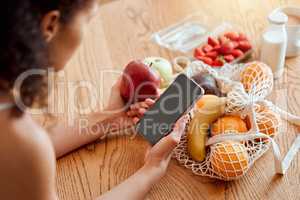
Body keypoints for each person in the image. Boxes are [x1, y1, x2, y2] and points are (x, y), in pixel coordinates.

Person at [0, 1, 187, 199]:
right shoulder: (21, 142)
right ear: (50, 25)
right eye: (88, 21)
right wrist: (151, 171)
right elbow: (23, 153)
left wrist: (107, 119)